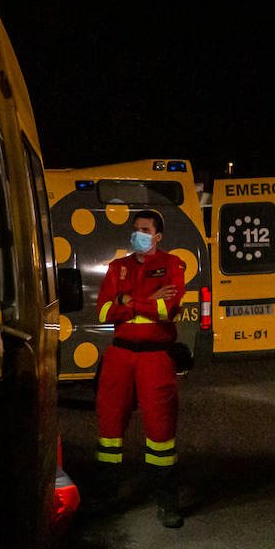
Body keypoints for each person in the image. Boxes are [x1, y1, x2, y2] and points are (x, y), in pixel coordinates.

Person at [94, 209, 188, 528]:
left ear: (157, 236)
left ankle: (166, 501)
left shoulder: (172, 265)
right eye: (136, 229)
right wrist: (145, 300)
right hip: (119, 356)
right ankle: (106, 496)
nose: (138, 234)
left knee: (161, 431)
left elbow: (167, 308)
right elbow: (105, 311)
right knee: (109, 428)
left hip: (155, 357)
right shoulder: (116, 267)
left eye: (145, 230)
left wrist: (128, 300)